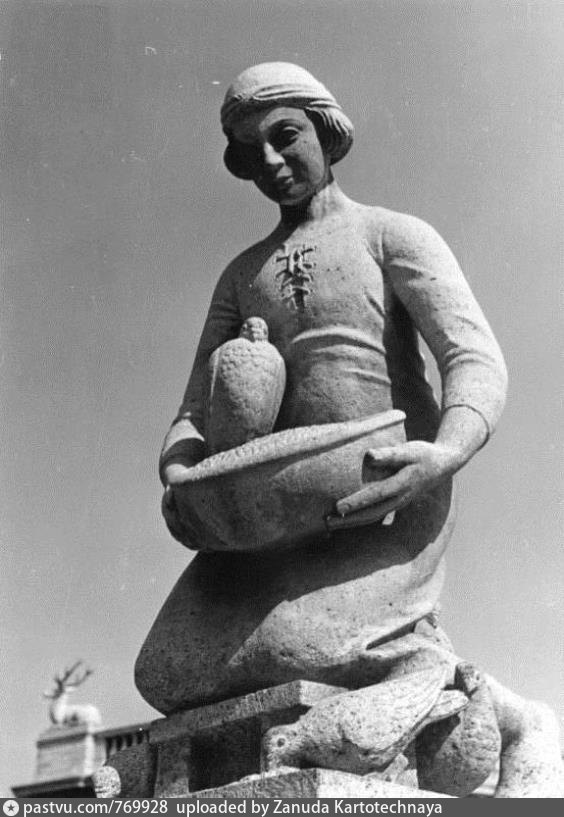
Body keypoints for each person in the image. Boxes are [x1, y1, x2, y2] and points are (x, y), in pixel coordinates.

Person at [136, 64, 562, 796]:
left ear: (325, 132)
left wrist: (444, 453)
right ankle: (408, 677)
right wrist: (178, 473)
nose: (272, 161)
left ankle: (501, 710)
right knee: (169, 670)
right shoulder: (240, 277)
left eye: (286, 136)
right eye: (251, 151)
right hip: (271, 518)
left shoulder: (389, 234)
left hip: (383, 500)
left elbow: (473, 358)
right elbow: (193, 414)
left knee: (300, 645)